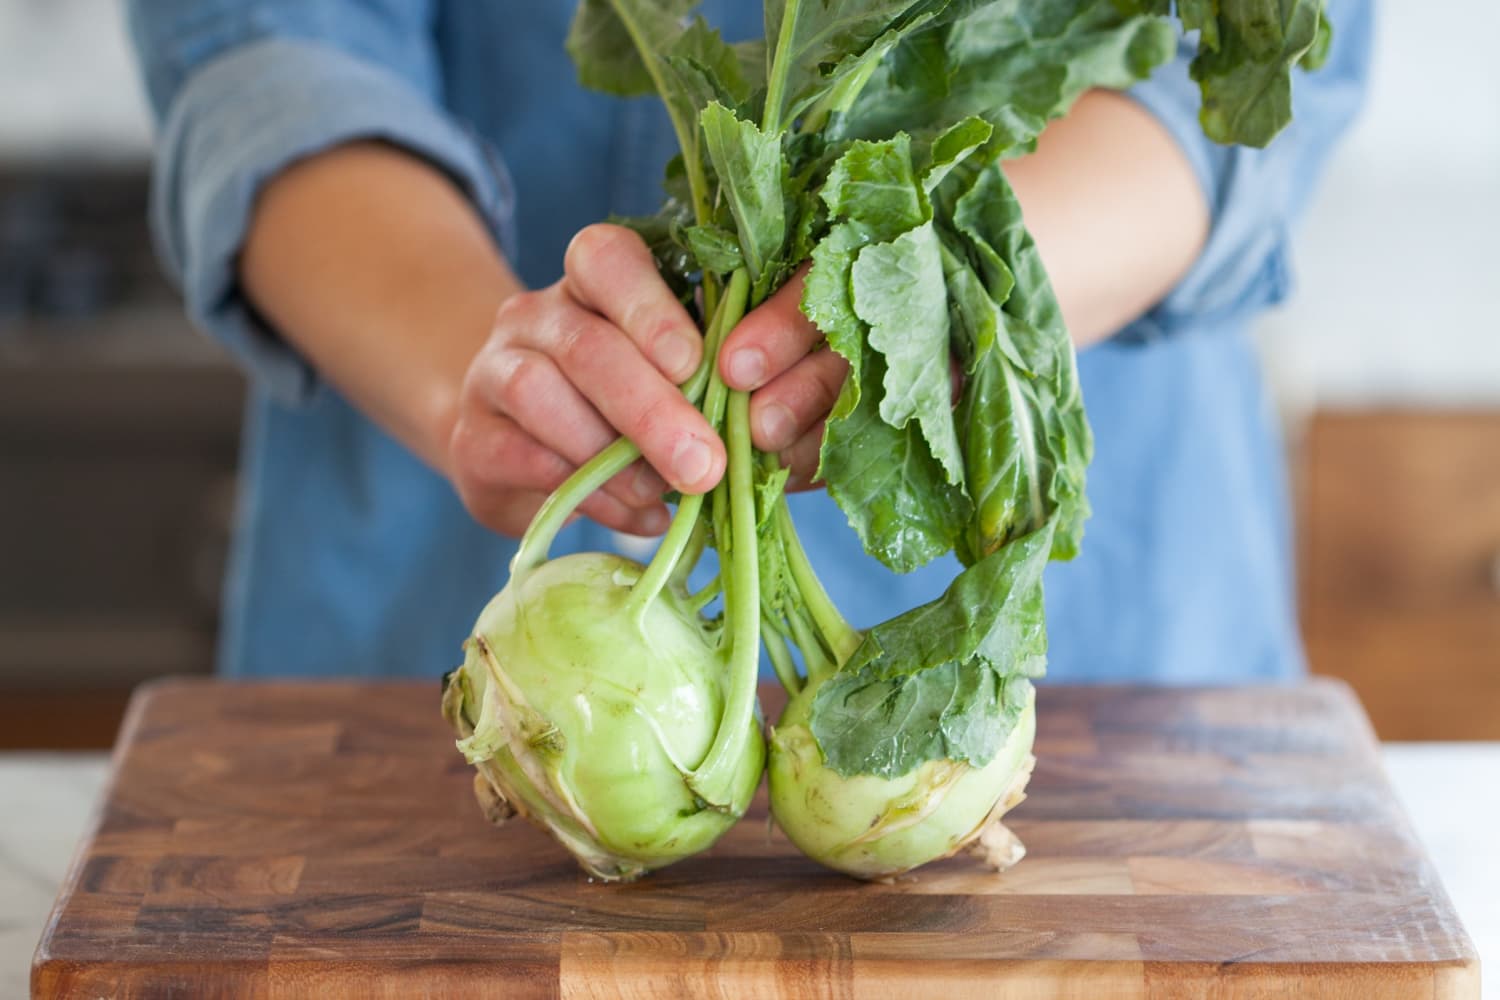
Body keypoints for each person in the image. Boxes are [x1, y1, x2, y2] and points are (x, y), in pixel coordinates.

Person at [124, 2, 1371, 684]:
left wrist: (959, 285)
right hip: (436, 603)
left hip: (1110, 658)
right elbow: (261, 46)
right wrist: (478, 363)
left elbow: (1247, 70)